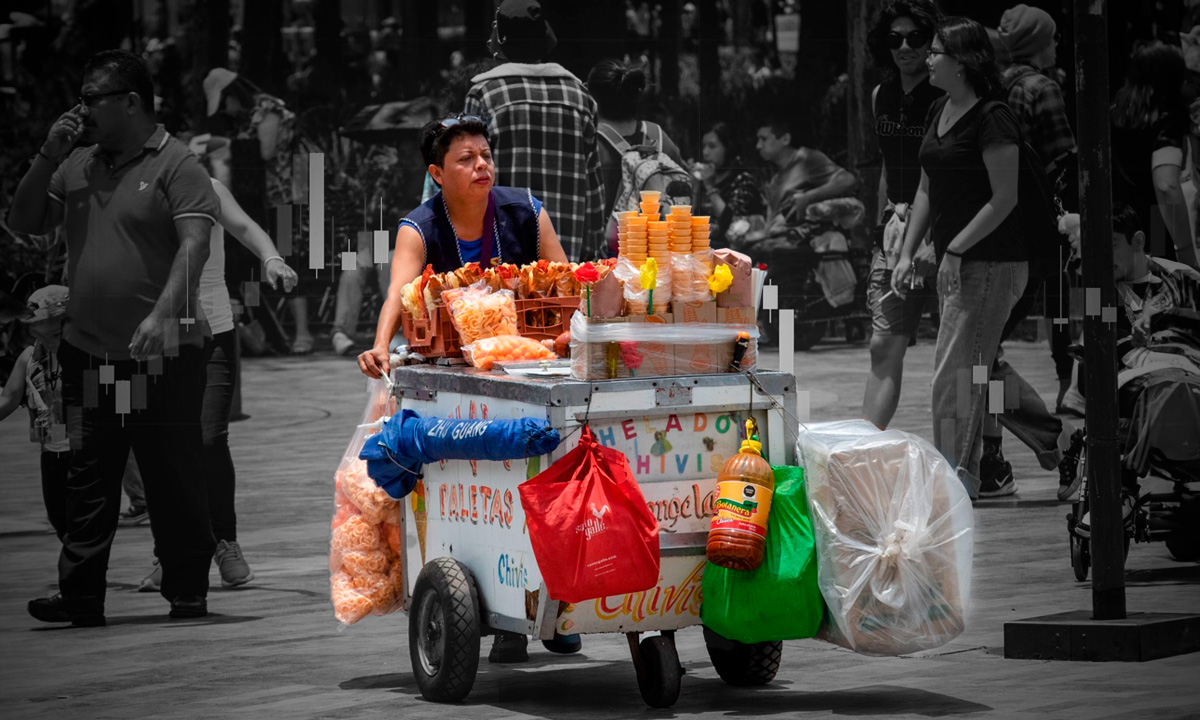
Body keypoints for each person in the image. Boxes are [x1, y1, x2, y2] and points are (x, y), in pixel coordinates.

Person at [8, 49, 221, 624]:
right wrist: (48, 152)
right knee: (88, 476)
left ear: (129, 102)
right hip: (90, 354)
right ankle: (81, 595)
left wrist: (160, 316)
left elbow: (195, 246)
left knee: (171, 473)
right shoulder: (78, 164)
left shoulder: (178, 164)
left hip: (164, 355)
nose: (81, 110)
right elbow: (23, 221)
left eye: (91, 99)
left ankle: (186, 589)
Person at [356, 116, 573, 663]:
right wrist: (380, 344)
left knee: (545, 473)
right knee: (490, 489)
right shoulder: (419, 226)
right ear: (437, 173)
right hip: (457, 379)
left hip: (529, 367)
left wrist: (575, 331)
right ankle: (507, 613)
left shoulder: (526, 211)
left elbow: (567, 279)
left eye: (485, 155)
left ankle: (556, 600)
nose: (482, 165)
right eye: (466, 158)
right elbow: (399, 290)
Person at [135, 134, 300, 592]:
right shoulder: (137, 194)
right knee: (164, 447)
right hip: (157, 338)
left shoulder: (206, 187)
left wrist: (271, 258)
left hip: (214, 333)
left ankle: (225, 541)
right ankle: (170, 553)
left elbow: (245, 227)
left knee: (208, 439)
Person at [891, 17, 1027, 500]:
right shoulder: (939, 108)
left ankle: (949, 482)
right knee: (976, 371)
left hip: (991, 263)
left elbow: (1004, 198)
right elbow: (926, 188)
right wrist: (907, 251)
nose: (926, 59)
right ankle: (1045, 448)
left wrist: (953, 249)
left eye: (935, 52)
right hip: (958, 264)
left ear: (963, 62)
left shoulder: (993, 118)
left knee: (955, 377)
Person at [975, 4, 1080, 497]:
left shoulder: (992, 88)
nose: (1057, 45)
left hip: (997, 236)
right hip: (1035, 239)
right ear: (1039, 42)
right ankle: (1055, 443)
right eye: (1052, 38)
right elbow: (1063, 166)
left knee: (983, 356)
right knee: (984, 356)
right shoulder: (1041, 89)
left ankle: (997, 456)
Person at [464, 0, 606, 261]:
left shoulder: (485, 95)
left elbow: (468, 178)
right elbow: (593, 183)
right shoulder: (579, 97)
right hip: (566, 258)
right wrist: (595, 252)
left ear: (500, 45)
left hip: (502, 258)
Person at [861, 0, 944, 430]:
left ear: (933, 42)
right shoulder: (882, 95)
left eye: (916, 37)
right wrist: (880, 231)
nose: (905, 47)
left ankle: (1002, 446)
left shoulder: (948, 94)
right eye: (895, 39)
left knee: (971, 359)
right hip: (894, 231)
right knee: (883, 343)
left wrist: (935, 239)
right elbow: (886, 167)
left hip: (943, 231)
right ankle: (865, 444)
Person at [204, 67, 327, 354]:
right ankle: (273, 334)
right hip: (264, 199)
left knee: (287, 256)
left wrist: (227, 146)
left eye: (224, 103)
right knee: (257, 263)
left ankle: (302, 333)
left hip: (288, 196)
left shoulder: (267, 109)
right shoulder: (248, 117)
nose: (225, 111)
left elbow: (266, 151)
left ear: (233, 94)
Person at [1111, 43, 1199, 270]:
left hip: (1115, 225)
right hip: (1157, 227)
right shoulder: (1167, 122)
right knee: (1158, 289)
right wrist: (1186, 251)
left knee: (1116, 291)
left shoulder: (1114, 115)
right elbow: (1165, 184)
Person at [0, 285, 71, 540]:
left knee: (87, 522)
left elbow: (121, 396)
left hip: (89, 450)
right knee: (59, 519)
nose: (50, 341)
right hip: (52, 451)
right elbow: (8, 398)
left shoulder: (91, 354)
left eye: (56, 333)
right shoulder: (29, 357)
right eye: (39, 333)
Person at [587, 58, 686, 221]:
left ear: (591, 98)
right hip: (658, 236)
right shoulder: (659, 136)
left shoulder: (589, 143)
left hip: (609, 236)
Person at [742, 116, 857, 244]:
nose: (758, 146)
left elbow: (847, 180)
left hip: (812, 245)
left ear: (785, 139)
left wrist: (809, 196)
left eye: (764, 139)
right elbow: (771, 228)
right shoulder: (775, 181)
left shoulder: (806, 159)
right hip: (781, 246)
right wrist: (745, 237)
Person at [692, 121, 767, 249]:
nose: (705, 152)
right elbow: (690, 219)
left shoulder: (743, 180)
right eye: (704, 146)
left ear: (728, 148)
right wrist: (693, 186)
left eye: (712, 146)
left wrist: (710, 188)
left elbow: (731, 223)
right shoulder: (704, 178)